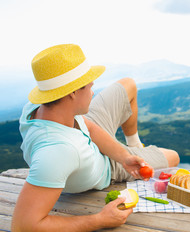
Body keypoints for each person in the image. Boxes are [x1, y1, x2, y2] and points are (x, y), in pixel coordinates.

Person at [11, 44, 180, 231]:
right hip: (103, 166)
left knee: (128, 85)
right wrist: (100, 220)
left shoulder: (42, 106)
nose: (93, 90)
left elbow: (88, 126)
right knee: (173, 156)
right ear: (72, 92)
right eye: (90, 85)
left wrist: (125, 157)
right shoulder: (58, 153)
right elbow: (24, 225)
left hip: (86, 136)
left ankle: (135, 145)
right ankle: (137, 151)